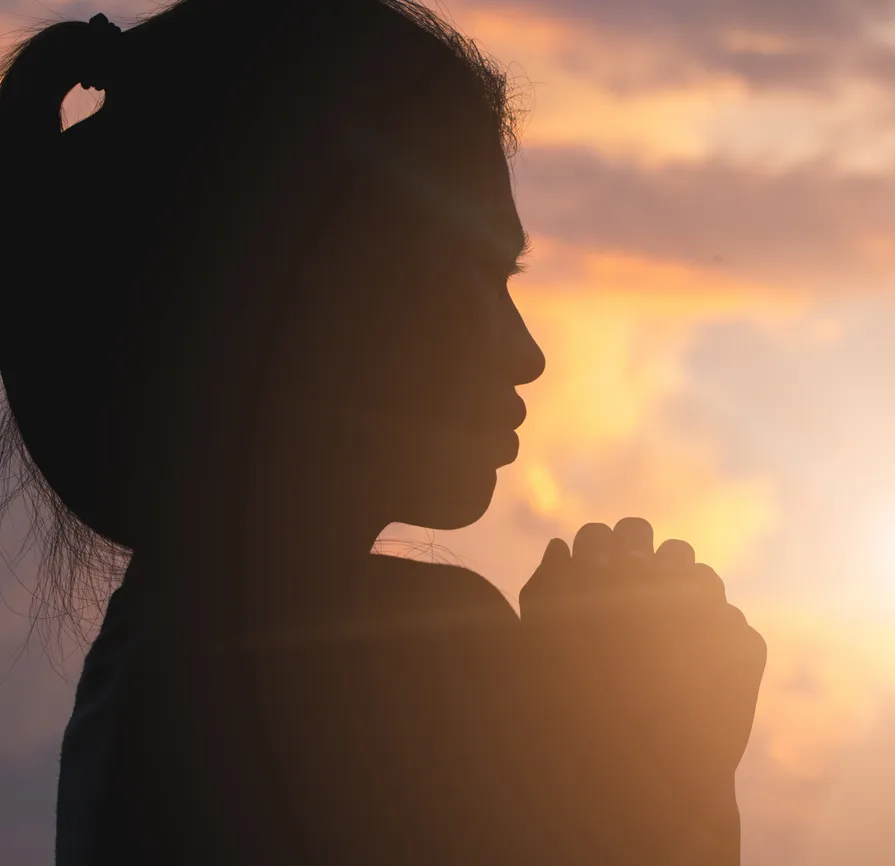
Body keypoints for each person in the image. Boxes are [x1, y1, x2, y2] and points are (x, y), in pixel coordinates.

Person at [0, 2, 767, 864]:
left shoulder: (144, 684)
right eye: (466, 277)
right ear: (295, 303)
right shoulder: (392, 679)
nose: (528, 355)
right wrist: (663, 758)